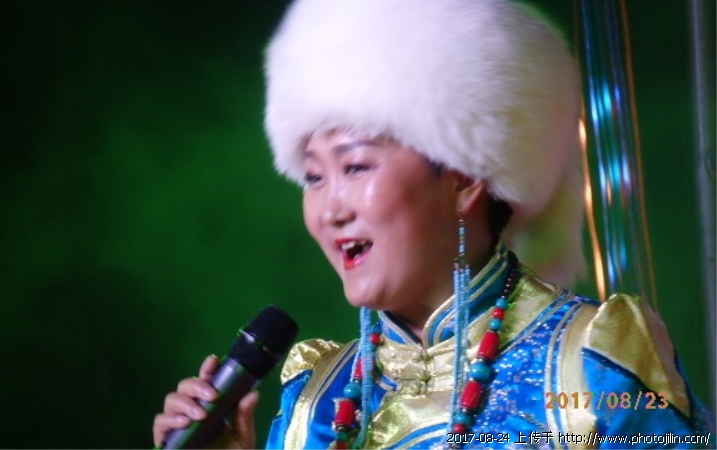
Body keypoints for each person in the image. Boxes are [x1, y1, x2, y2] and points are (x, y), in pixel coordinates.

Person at [154, 0, 713, 448]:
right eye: (314, 177)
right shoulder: (316, 399)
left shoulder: (590, 364)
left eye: (355, 166)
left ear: (464, 178)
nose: (330, 210)